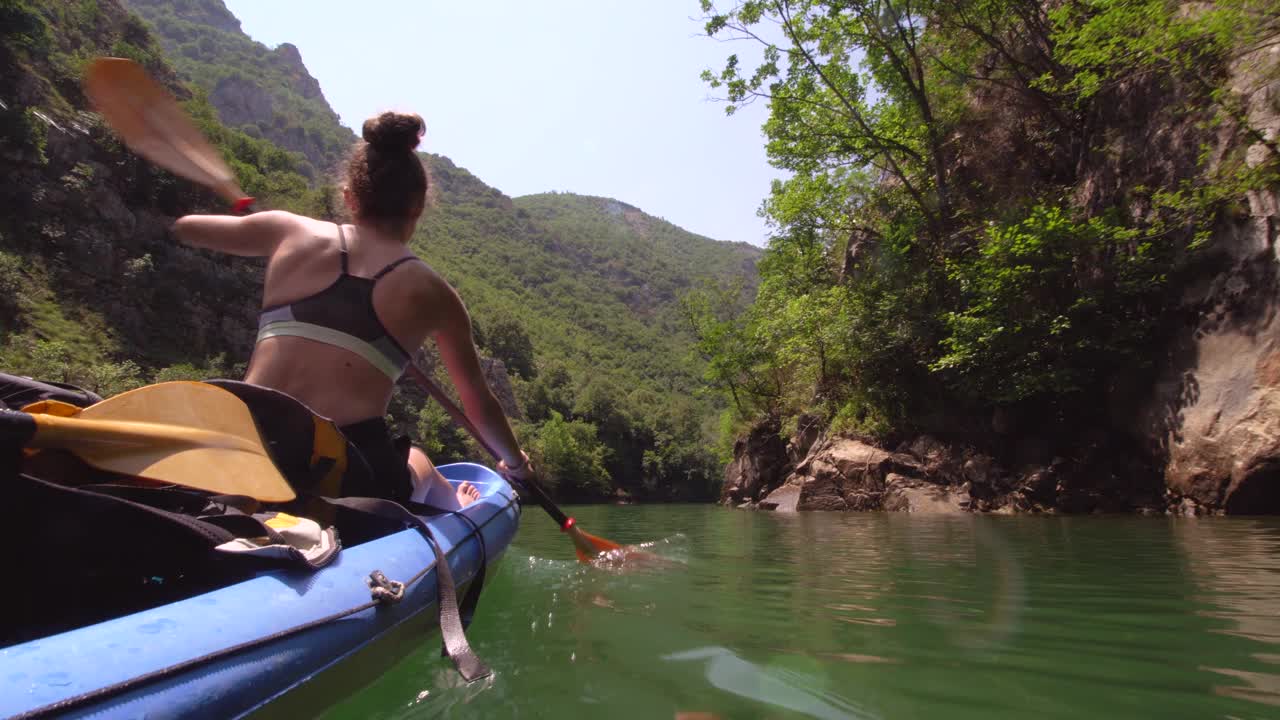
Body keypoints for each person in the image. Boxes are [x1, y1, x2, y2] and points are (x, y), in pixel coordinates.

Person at [172, 111, 532, 509]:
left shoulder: (288, 230)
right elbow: (478, 404)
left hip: (245, 448)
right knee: (420, 462)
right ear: (419, 206)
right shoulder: (434, 292)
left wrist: (256, 221)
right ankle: (460, 507)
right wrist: (515, 464)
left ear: (348, 196)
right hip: (343, 471)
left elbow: (186, 227)